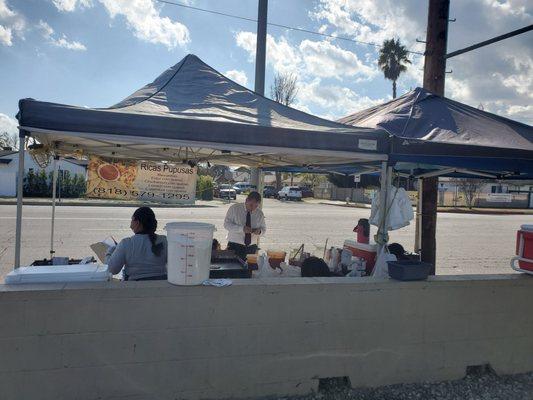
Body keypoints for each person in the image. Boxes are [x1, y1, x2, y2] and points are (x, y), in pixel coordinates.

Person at [106, 207, 167, 281]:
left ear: (137, 223)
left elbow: (112, 270)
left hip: (133, 289)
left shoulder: (126, 243)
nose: (130, 225)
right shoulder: (164, 241)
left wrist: (109, 252)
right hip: (161, 287)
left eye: (132, 220)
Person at [224, 191, 266, 260]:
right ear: (246, 200)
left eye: (256, 206)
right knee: (232, 268)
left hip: (251, 247)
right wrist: (241, 229)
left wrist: (260, 231)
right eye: (251, 205)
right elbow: (226, 225)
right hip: (235, 245)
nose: (253, 208)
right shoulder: (234, 208)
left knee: (250, 269)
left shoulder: (259, 213)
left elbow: (264, 229)